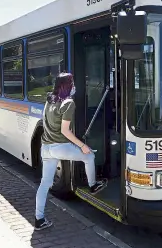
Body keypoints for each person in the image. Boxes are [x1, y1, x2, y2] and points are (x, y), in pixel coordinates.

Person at [34, 72, 107, 230]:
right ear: (67, 85)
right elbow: (66, 131)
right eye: (72, 83)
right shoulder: (68, 103)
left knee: (45, 183)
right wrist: (82, 146)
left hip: (46, 148)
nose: (74, 86)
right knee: (89, 156)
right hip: (60, 147)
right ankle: (93, 185)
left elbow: (45, 122)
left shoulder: (49, 99)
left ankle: (39, 219)